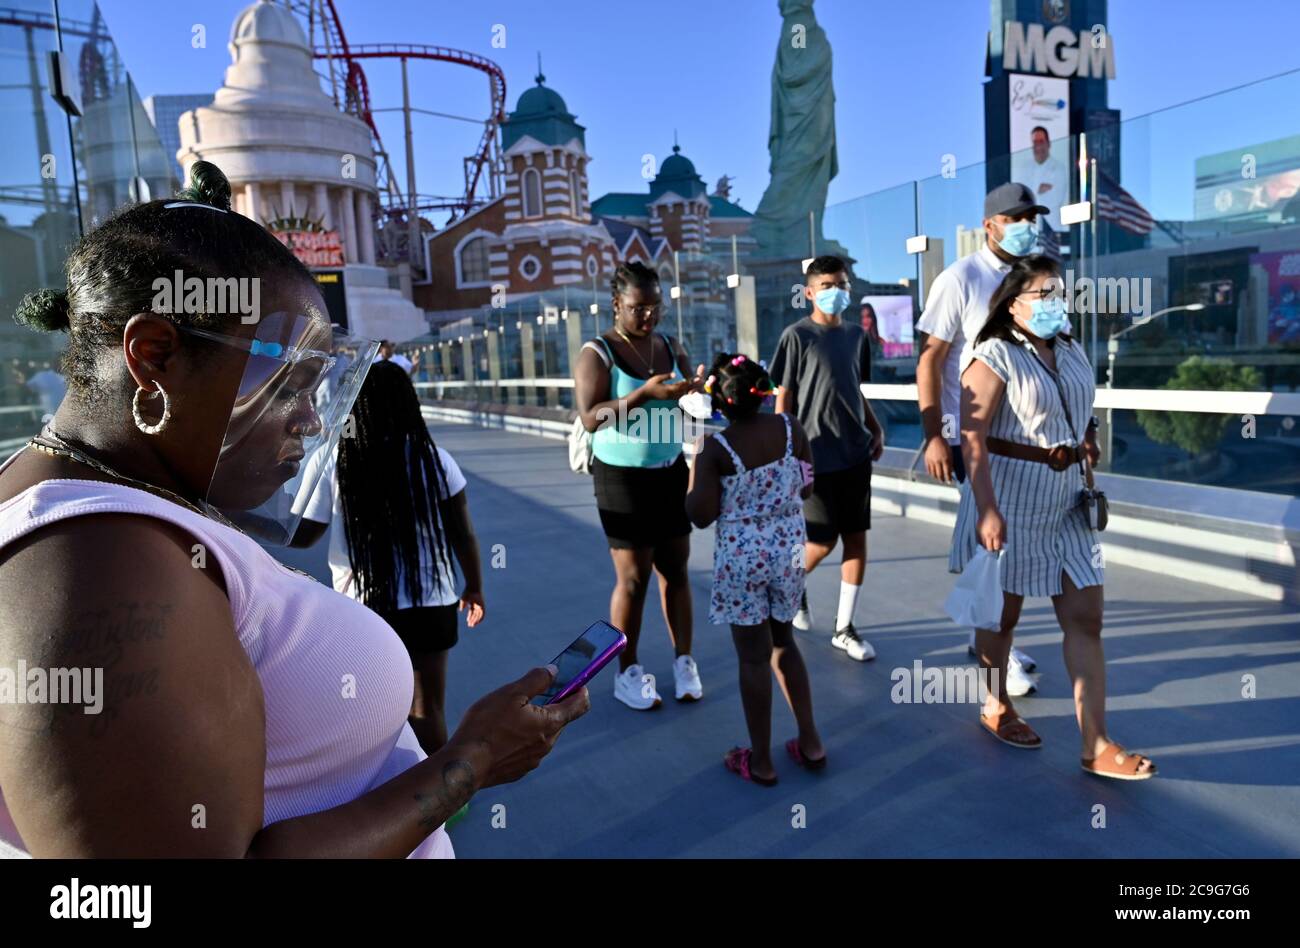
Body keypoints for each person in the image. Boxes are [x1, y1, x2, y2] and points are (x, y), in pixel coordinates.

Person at [0, 161, 588, 858]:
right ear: (154, 356)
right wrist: (471, 764)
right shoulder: (93, 573)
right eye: (292, 383)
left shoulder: (113, 512)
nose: (310, 420)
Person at [954, 254, 1156, 780]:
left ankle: (1096, 744)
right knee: (1003, 617)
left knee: (1087, 617)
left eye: (1058, 293)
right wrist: (986, 509)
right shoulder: (994, 354)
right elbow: (971, 436)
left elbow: (1081, 407)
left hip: (1068, 499)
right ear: (1014, 305)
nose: (1055, 303)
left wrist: (1085, 439)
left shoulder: (1070, 350)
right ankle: (996, 704)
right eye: (1043, 295)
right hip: (1011, 497)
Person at [296, 360, 485, 758]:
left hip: (364, 608)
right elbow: (463, 533)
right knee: (428, 708)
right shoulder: (436, 460)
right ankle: (442, 797)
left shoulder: (334, 461)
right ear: (408, 403)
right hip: (430, 604)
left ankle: (385, 799)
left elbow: (304, 535)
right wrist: (475, 587)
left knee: (371, 709)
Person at [915, 182, 1054, 695]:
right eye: (1015, 218)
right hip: (970, 433)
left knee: (1005, 543)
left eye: (1031, 217)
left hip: (1022, 439)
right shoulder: (961, 279)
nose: (1026, 227)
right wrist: (933, 434)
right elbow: (930, 358)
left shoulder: (1031, 278)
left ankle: (990, 642)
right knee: (994, 542)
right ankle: (996, 652)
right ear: (989, 224)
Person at [685, 354, 825, 786]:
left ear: (718, 405)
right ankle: (811, 742)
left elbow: (700, 515)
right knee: (785, 644)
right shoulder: (791, 429)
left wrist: (694, 465)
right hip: (788, 556)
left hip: (742, 563)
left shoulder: (715, 449)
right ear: (763, 391)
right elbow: (807, 485)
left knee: (753, 658)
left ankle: (761, 760)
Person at [574, 262, 705, 709]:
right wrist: (643, 395)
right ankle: (626, 671)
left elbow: (690, 407)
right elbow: (592, 418)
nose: (648, 316)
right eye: (637, 308)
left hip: (669, 471)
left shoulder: (671, 344)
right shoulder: (599, 352)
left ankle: (684, 661)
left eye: (654, 307)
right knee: (634, 580)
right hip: (621, 478)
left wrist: (696, 393)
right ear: (616, 305)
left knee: (677, 571)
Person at [771, 254, 884, 662]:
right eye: (827, 286)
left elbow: (853, 387)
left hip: (855, 453)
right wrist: (786, 449)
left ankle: (844, 627)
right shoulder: (796, 336)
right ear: (809, 293)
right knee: (820, 541)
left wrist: (876, 427)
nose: (837, 292)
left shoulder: (856, 336)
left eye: (842, 284)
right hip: (813, 457)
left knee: (856, 538)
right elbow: (784, 398)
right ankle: (788, 585)